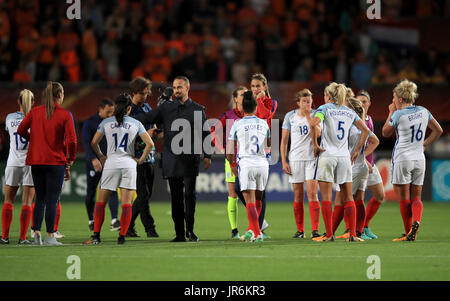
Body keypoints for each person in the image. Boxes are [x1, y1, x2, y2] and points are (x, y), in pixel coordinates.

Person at [135, 76, 212, 242]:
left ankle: (190, 231)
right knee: (176, 198)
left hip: (190, 159)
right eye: (175, 87)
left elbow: (206, 134)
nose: (176, 90)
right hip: (172, 159)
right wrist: (126, 118)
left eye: (179, 87)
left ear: (187, 88)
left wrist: (208, 155)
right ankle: (179, 233)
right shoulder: (166, 108)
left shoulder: (198, 109)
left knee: (190, 196)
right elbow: (147, 118)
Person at [83, 94, 153, 245]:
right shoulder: (136, 123)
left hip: (111, 163)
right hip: (129, 164)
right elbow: (150, 144)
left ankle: (96, 236)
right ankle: (121, 237)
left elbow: (94, 142)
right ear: (129, 108)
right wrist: (140, 160)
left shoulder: (106, 122)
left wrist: (101, 156)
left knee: (101, 202)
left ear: (116, 107)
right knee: (126, 203)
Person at [17, 81, 77, 246]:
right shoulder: (65, 115)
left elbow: (21, 129)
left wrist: (34, 140)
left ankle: (36, 233)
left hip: (36, 161)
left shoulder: (35, 112)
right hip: (55, 161)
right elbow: (72, 140)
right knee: (52, 199)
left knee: (40, 199)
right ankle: (50, 236)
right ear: (60, 95)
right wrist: (70, 158)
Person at [382, 79, 442, 241]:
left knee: (403, 197)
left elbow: (386, 132)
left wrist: (390, 112)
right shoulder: (423, 111)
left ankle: (409, 231)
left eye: (394, 97)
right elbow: (438, 130)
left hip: (403, 158)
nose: (393, 100)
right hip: (419, 158)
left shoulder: (398, 114)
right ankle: (416, 221)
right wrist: (425, 144)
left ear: (400, 99)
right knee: (416, 197)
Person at [309, 82, 370, 242]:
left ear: (329, 96)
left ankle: (329, 235)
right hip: (344, 157)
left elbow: (313, 123)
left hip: (327, 156)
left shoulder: (324, 109)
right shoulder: (350, 112)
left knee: (327, 198)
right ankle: (353, 235)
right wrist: (356, 151)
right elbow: (366, 130)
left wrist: (315, 145)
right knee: (349, 197)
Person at [233, 73, 277, 238]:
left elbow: (266, 116)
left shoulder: (271, 103)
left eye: (258, 86)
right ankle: (259, 223)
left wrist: (258, 100)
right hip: (246, 151)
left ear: (265, 87)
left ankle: (257, 228)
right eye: (253, 86)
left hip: (261, 151)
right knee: (239, 188)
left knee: (260, 192)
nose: (255, 89)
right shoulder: (250, 103)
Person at [332, 97, 380, 240]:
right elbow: (375, 141)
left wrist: (356, 152)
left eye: (346, 107)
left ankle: (333, 233)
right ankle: (358, 231)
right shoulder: (362, 124)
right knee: (358, 200)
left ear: (351, 109)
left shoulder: (351, 126)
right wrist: (362, 155)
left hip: (351, 167)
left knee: (342, 200)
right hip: (362, 166)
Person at [227, 91, 270, 243]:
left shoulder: (237, 124)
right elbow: (268, 144)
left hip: (246, 164)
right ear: (256, 106)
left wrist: (232, 165)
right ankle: (253, 231)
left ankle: (257, 233)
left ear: (242, 108)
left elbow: (230, 150)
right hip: (263, 164)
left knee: (250, 201)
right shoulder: (264, 124)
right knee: (258, 200)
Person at [280, 89, 322, 239]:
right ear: (298, 102)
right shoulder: (290, 116)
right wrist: (284, 160)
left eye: (309, 101)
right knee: (298, 195)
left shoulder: (317, 114)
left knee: (312, 193)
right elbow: (284, 141)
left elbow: (318, 133)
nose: (306, 104)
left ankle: (315, 230)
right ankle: (300, 230)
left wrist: (309, 117)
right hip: (295, 159)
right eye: (304, 101)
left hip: (312, 158)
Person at [210, 86, 246, 239]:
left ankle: (258, 226)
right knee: (233, 194)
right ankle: (234, 230)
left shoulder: (252, 114)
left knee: (253, 193)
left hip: (248, 158)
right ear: (236, 98)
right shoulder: (229, 115)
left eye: (246, 94)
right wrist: (221, 148)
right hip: (232, 159)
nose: (245, 97)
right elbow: (213, 130)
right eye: (242, 95)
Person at [126, 76, 159, 238]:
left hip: (150, 157)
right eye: (142, 93)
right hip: (135, 158)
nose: (145, 96)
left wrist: (155, 134)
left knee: (145, 195)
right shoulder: (128, 110)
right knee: (144, 195)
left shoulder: (146, 108)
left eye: (147, 93)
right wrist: (145, 136)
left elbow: (152, 129)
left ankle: (128, 226)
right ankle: (150, 228)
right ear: (133, 93)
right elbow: (127, 135)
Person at [1, 89, 35, 245]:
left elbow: (10, 135)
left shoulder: (9, 118)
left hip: (13, 162)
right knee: (27, 202)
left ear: (18, 102)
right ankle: (22, 238)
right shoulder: (37, 117)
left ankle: (5, 237)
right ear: (33, 102)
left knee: (8, 200)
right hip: (30, 163)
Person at [82, 98, 120, 232]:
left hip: (109, 162)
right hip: (94, 163)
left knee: (113, 190)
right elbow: (87, 143)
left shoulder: (114, 122)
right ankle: (91, 220)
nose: (111, 115)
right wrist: (93, 159)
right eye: (108, 112)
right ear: (100, 109)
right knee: (91, 192)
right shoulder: (90, 122)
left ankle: (114, 220)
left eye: (112, 112)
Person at [356, 90, 385, 239]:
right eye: (359, 101)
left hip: (370, 164)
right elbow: (354, 145)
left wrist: (367, 160)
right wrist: (363, 159)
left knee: (380, 195)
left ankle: (365, 226)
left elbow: (371, 142)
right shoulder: (354, 120)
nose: (361, 104)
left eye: (364, 102)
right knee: (356, 199)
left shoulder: (369, 119)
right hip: (360, 164)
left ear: (369, 104)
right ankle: (355, 230)